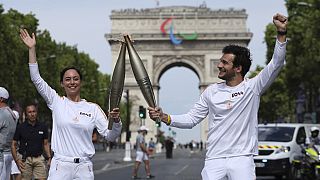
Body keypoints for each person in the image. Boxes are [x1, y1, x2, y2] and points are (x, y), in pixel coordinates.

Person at [148, 13, 288, 180]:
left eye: (225, 63)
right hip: (214, 158)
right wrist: (164, 117)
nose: (219, 65)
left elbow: (276, 64)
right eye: (220, 61)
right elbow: (191, 119)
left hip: (241, 158)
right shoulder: (211, 91)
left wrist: (281, 34)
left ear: (238, 68)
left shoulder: (253, 87)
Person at [20, 29, 122, 180]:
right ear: (62, 83)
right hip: (60, 167)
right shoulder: (56, 101)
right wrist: (31, 49)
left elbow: (110, 136)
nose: (72, 82)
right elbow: (36, 78)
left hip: (84, 168)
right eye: (67, 79)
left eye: (75, 79)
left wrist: (116, 121)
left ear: (81, 82)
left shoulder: (92, 108)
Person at [11, 103, 51, 180]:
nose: (32, 114)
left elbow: (45, 143)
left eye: (34, 111)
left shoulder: (43, 126)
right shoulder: (21, 127)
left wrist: (49, 157)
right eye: (29, 112)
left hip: (39, 158)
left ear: (36, 113)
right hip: (25, 159)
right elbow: (13, 144)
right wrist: (16, 160)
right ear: (26, 114)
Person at [0, 87, 18, 180]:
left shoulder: (2, 113)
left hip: (1, 154)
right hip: (8, 153)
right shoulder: (11, 112)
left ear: (1, 99)